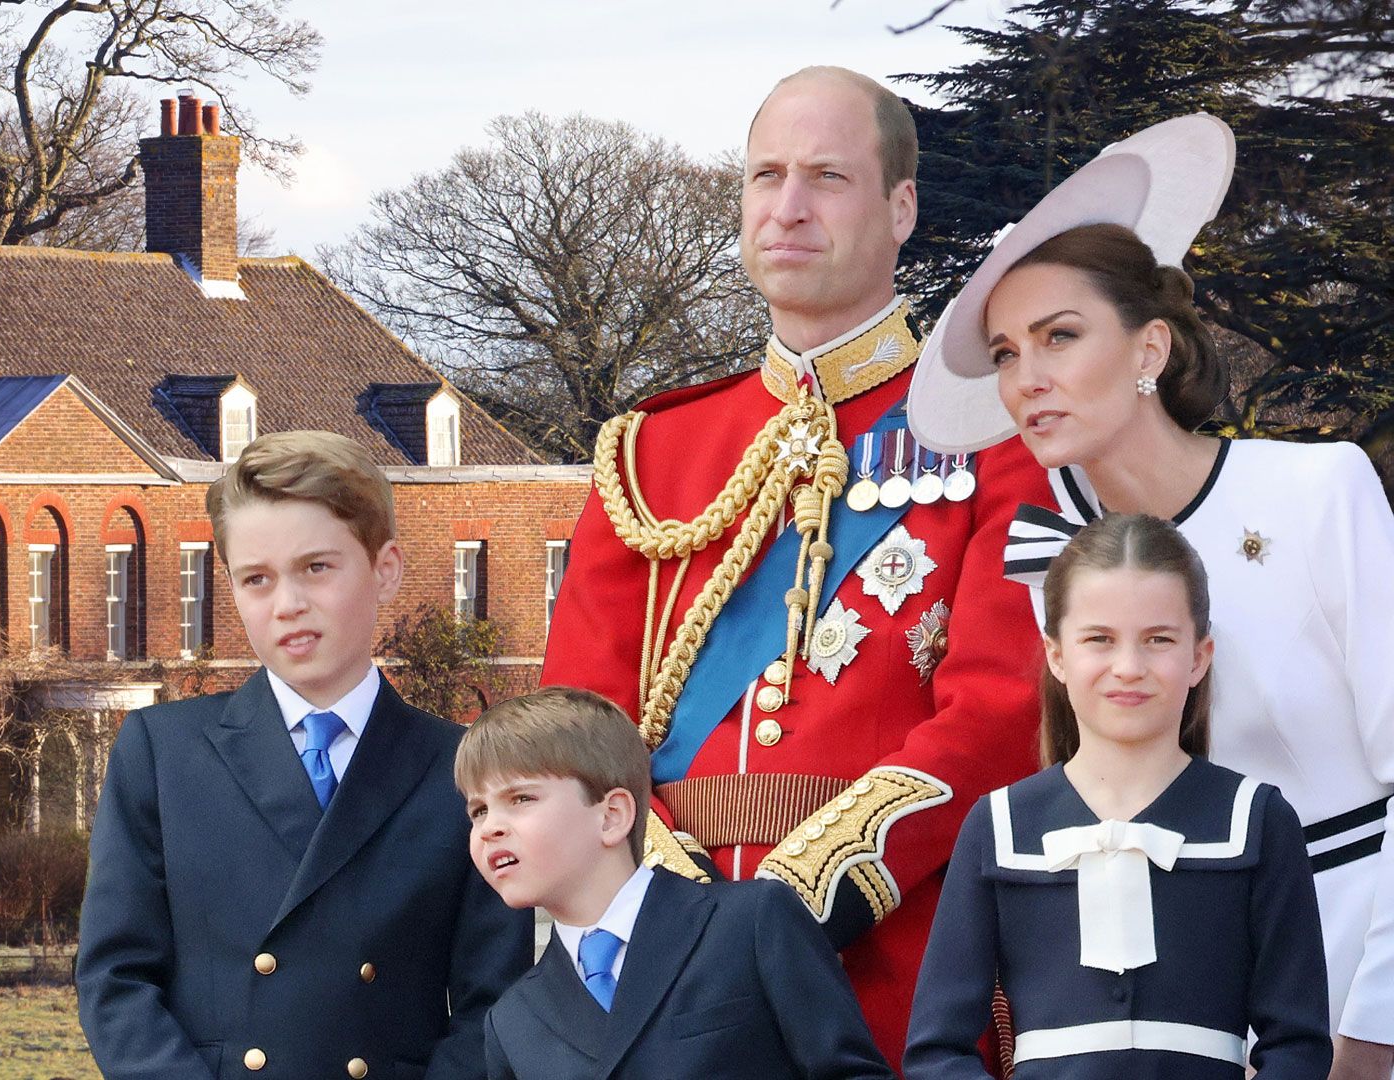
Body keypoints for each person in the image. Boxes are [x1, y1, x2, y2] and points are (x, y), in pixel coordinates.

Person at [540, 64, 1051, 1068]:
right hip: (667, 970)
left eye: (827, 176)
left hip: (902, 959)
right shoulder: (650, 453)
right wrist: (674, 913)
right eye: (765, 176)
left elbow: (1006, 711)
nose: (788, 208)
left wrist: (806, 896)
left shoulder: (998, 434)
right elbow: (571, 727)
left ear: (902, 207)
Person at [907, 112, 1394, 1079]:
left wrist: (1372, 1031)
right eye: (1006, 353)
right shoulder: (1043, 548)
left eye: (1060, 337)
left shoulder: (1318, 490)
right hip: (1159, 1025)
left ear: (1150, 348)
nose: (1028, 379)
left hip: (1350, 980)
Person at [74, 430, 534, 1080]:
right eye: (256, 579)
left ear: (386, 569)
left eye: (316, 567)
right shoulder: (161, 753)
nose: (288, 605)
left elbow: (496, 1007)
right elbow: (116, 981)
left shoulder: (464, 770)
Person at [904, 512, 1331, 1078]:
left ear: (1199, 657)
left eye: (1158, 640)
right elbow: (937, 1050)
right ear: (1057, 655)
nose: (1129, 668)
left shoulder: (1258, 820)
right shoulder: (1000, 825)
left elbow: (1298, 1045)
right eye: (1099, 640)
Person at [457, 686, 895, 1080]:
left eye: (521, 799)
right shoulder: (512, 1021)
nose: (490, 827)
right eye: (478, 811)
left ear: (611, 816)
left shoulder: (752, 923)